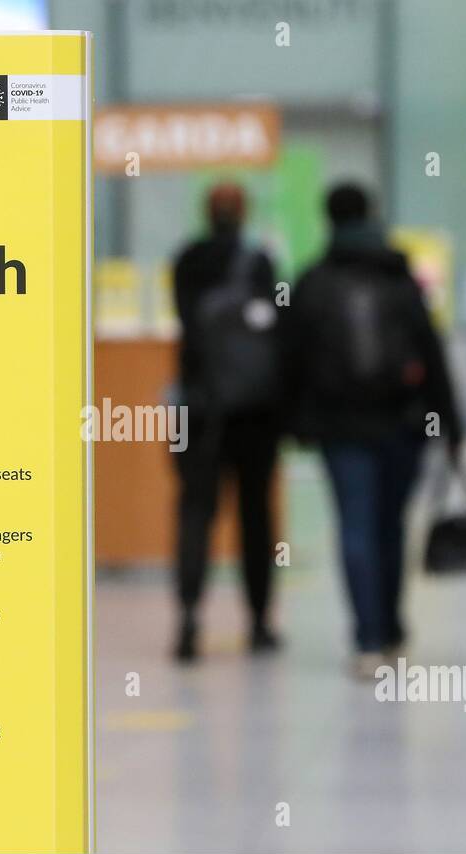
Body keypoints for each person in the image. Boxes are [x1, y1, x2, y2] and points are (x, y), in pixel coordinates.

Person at [289, 182, 465, 679]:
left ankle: (368, 639)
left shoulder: (312, 283)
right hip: (402, 422)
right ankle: (389, 629)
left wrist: (295, 423)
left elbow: (291, 361)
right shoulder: (398, 277)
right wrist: (450, 422)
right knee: (391, 525)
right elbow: (431, 352)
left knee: (356, 527)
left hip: (339, 427)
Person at [170, 182, 283, 663]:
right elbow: (276, 328)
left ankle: (189, 617)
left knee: (196, 512)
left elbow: (187, 326)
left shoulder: (186, 261)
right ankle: (258, 623)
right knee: (255, 517)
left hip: (199, 408)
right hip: (254, 412)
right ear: (244, 212)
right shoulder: (260, 264)